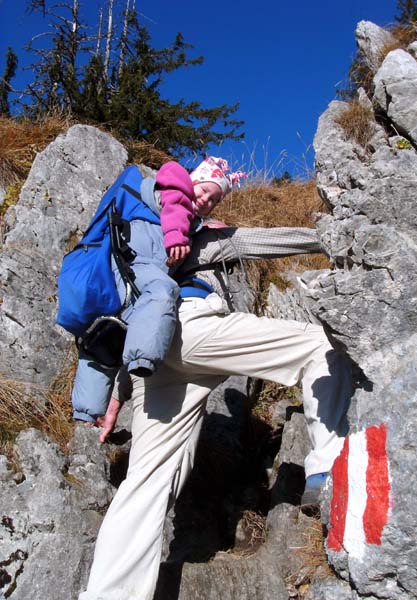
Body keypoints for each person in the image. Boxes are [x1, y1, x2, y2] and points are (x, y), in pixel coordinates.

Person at [79, 210, 352, 600]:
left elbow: (144, 330)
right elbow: (274, 240)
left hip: (156, 361)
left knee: (147, 482)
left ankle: (108, 594)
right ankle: (326, 470)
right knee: (319, 346)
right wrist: (338, 234)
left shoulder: (150, 255)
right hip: (193, 330)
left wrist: (118, 394)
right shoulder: (206, 236)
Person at [71, 157, 245, 423]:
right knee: (164, 290)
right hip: (137, 267)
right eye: (205, 191)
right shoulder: (177, 184)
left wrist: (207, 228)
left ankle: (86, 411)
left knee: (103, 345)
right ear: (194, 179)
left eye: (214, 201)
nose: (206, 201)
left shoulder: (191, 219)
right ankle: (143, 359)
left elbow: (186, 215)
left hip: (128, 278)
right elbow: (175, 204)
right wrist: (176, 235)